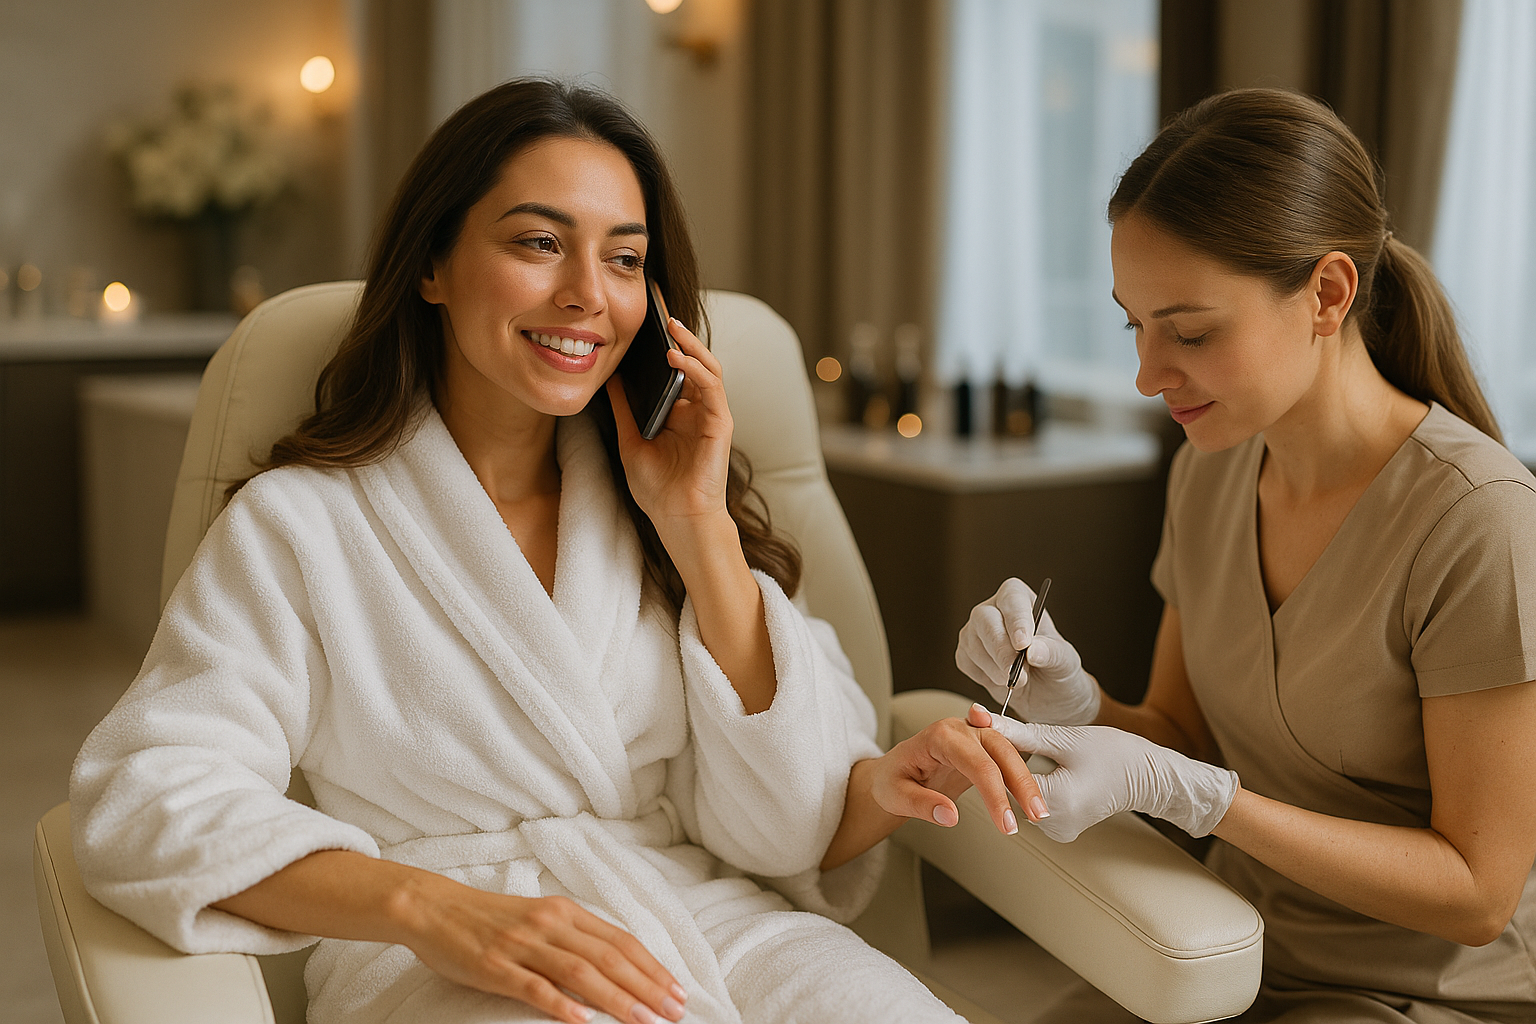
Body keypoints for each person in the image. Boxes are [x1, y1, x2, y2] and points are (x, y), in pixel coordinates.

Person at [71, 79, 1044, 1024]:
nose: (588, 295)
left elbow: (787, 826)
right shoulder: (303, 526)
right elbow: (144, 794)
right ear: (433, 265)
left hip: (716, 925)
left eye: (625, 260)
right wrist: (423, 907)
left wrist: (698, 522)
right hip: (446, 958)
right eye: (539, 242)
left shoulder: (658, 510)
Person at [957, 88, 1536, 1023]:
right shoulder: (1213, 472)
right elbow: (1182, 742)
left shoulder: (1479, 522)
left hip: (1423, 997)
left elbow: (1479, 892)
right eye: (1133, 327)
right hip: (1229, 953)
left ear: (1328, 294)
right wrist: (1076, 704)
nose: (1148, 376)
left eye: (1189, 332)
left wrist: (1204, 801)